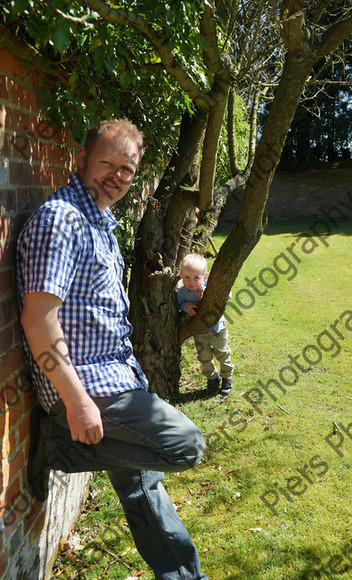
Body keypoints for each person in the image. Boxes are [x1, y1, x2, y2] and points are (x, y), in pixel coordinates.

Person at [17, 119, 208, 580]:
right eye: (107, 162)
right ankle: (60, 446)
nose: (118, 175)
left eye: (128, 168)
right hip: (86, 388)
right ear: (81, 160)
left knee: (144, 489)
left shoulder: (98, 219)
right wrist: (76, 402)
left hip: (115, 377)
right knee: (185, 445)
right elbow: (37, 320)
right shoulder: (62, 220)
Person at [177, 254, 234, 396]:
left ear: (205, 276)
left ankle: (227, 376)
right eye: (187, 277)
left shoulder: (210, 287)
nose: (191, 282)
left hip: (217, 329)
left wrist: (210, 295)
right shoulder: (183, 292)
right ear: (181, 276)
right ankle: (213, 378)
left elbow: (227, 295)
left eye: (196, 277)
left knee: (222, 353)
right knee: (204, 357)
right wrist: (186, 307)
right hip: (200, 332)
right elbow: (179, 303)